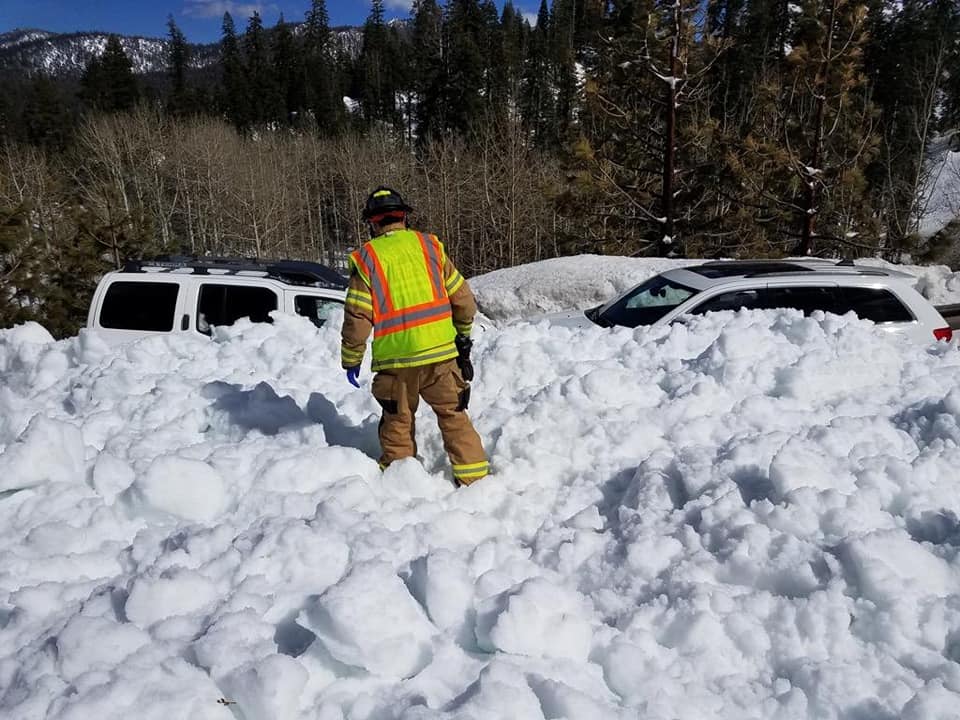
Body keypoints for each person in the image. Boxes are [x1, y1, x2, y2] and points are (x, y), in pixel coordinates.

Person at [340, 186, 489, 486]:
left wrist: (351, 358)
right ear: (404, 217)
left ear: (373, 222)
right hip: (442, 357)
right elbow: (463, 300)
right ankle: (476, 483)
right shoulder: (430, 247)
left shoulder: (367, 259)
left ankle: (403, 487)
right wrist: (462, 337)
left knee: (397, 424)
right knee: (455, 417)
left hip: (396, 364)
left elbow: (358, 317)